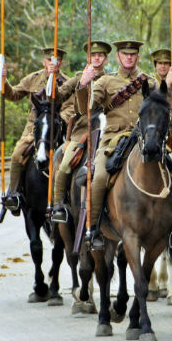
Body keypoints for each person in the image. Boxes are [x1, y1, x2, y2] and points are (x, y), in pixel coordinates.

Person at [78, 39, 172, 249]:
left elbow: (166, 107)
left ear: (137, 56)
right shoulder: (105, 83)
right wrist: (83, 85)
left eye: (133, 54)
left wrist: (169, 85)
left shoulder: (150, 82)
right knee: (99, 177)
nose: (129, 57)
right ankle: (94, 230)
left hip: (145, 139)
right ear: (118, 56)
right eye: (125, 54)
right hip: (113, 141)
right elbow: (86, 109)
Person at [2, 47, 73, 212]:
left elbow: (71, 108)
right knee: (17, 153)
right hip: (34, 129)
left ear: (61, 63)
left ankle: (67, 196)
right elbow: (13, 94)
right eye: (49, 60)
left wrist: (55, 120)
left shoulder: (67, 83)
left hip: (56, 129)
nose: (52, 64)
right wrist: (3, 80)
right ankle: (14, 194)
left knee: (71, 158)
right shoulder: (33, 79)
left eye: (56, 61)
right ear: (44, 61)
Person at [50, 40, 111, 222]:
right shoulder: (78, 77)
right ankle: (58, 205)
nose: (97, 58)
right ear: (88, 57)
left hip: (106, 129)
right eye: (93, 55)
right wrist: (53, 77)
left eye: (100, 55)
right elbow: (58, 96)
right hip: (83, 130)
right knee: (65, 163)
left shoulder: (112, 79)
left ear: (106, 59)